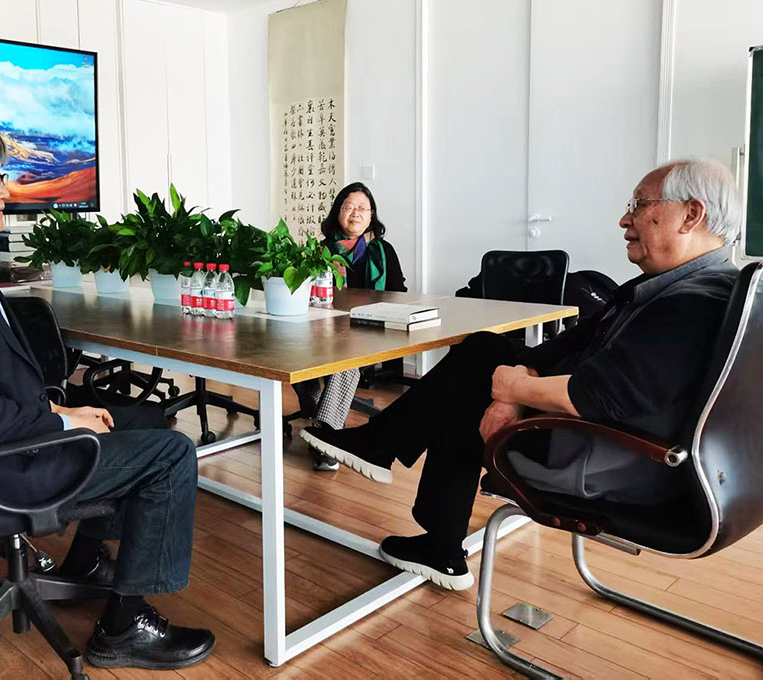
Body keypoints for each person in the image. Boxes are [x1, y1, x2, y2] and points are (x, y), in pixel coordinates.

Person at [0, 121, 214, 670]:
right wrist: (63, 425)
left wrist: (61, 408)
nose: (4, 190)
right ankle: (124, 628)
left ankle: (86, 562)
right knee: (170, 455)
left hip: (0, 443)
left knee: (146, 421)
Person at [302, 159, 740, 591]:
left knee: (465, 392)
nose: (625, 219)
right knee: (482, 350)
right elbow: (571, 343)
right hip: (596, 434)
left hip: (603, 455)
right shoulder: (670, 286)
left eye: (640, 204)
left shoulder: (695, 301)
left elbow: (598, 396)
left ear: (691, 214)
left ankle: (406, 487)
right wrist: (517, 383)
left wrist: (513, 387)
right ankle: (415, 503)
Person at [294, 182, 407, 470]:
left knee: (344, 359)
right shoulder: (319, 251)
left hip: (371, 331)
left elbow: (399, 295)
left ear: (371, 216)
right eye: (349, 207)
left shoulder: (383, 251)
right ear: (337, 212)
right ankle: (318, 410)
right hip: (322, 329)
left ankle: (327, 440)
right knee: (291, 350)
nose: (355, 213)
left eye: (362, 208)